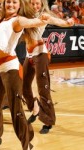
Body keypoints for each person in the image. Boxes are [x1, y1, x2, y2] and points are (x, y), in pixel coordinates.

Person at [0, 0, 56, 149]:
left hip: (10, 68)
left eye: (14, 2)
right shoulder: (0, 20)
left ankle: (27, 144)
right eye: (8, 2)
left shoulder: (18, 20)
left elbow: (34, 21)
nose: (11, 5)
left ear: (20, 6)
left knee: (17, 112)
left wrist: (47, 20)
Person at [22, 0, 74, 134]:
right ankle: (35, 109)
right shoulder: (23, 15)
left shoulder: (44, 16)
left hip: (40, 54)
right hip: (29, 55)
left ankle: (48, 121)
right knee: (24, 86)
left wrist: (67, 23)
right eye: (32, 3)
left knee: (43, 89)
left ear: (42, 4)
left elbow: (58, 22)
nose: (35, 6)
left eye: (37, 3)